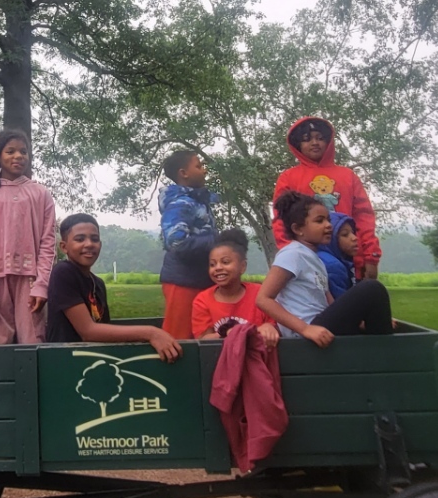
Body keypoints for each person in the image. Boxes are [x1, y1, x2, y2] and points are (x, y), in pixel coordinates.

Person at [257, 189, 392, 346]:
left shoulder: (316, 260)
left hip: (322, 326)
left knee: (373, 299)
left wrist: (360, 318)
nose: (328, 225)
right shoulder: (292, 253)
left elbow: (330, 304)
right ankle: (385, 355)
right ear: (298, 229)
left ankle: (381, 354)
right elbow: (263, 299)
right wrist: (305, 329)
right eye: (320, 221)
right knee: (371, 288)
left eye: (328, 220)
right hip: (306, 331)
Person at [45, 214, 182, 361]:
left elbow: (103, 329)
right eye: (80, 239)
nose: (89, 244)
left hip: (94, 360)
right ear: (64, 247)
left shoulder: (97, 284)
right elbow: (88, 331)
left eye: (94, 239)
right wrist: (151, 333)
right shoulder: (63, 272)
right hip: (64, 362)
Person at [0, 128, 57, 344]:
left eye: (23, 152)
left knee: (33, 341)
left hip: (29, 279)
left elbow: (48, 242)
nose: (18, 156)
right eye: (10, 151)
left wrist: (41, 285)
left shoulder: (40, 193)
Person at [270, 117, 381, 279]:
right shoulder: (288, 178)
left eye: (320, 138)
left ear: (328, 142)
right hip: (307, 259)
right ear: (297, 145)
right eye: (307, 139)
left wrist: (371, 256)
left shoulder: (348, 176)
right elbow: (281, 220)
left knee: (351, 303)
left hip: (349, 259)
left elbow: (364, 218)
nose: (314, 143)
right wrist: (291, 253)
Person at [157, 148, 217, 340]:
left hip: (202, 277)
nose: (204, 170)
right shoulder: (180, 203)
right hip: (182, 280)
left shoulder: (198, 202)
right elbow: (176, 242)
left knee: (204, 333)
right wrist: (218, 240)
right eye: (199, 166)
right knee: (179, 338)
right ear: (184, 173)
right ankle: (173, 371)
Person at [192, 228, 280, 349]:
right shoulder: (202, 300)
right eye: (212, 264)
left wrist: (269, 328)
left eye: (225, 262)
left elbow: (273, 327)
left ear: (242, 266)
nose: (218, 268)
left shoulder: (260, 294)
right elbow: (204, 340)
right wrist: (232, 334)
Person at [318, 213, 358, 299]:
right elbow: (342, 304)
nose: (354, 238)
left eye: (353, 233)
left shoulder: (317, 256)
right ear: (331, 238)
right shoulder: (333, 266)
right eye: (345, 234)